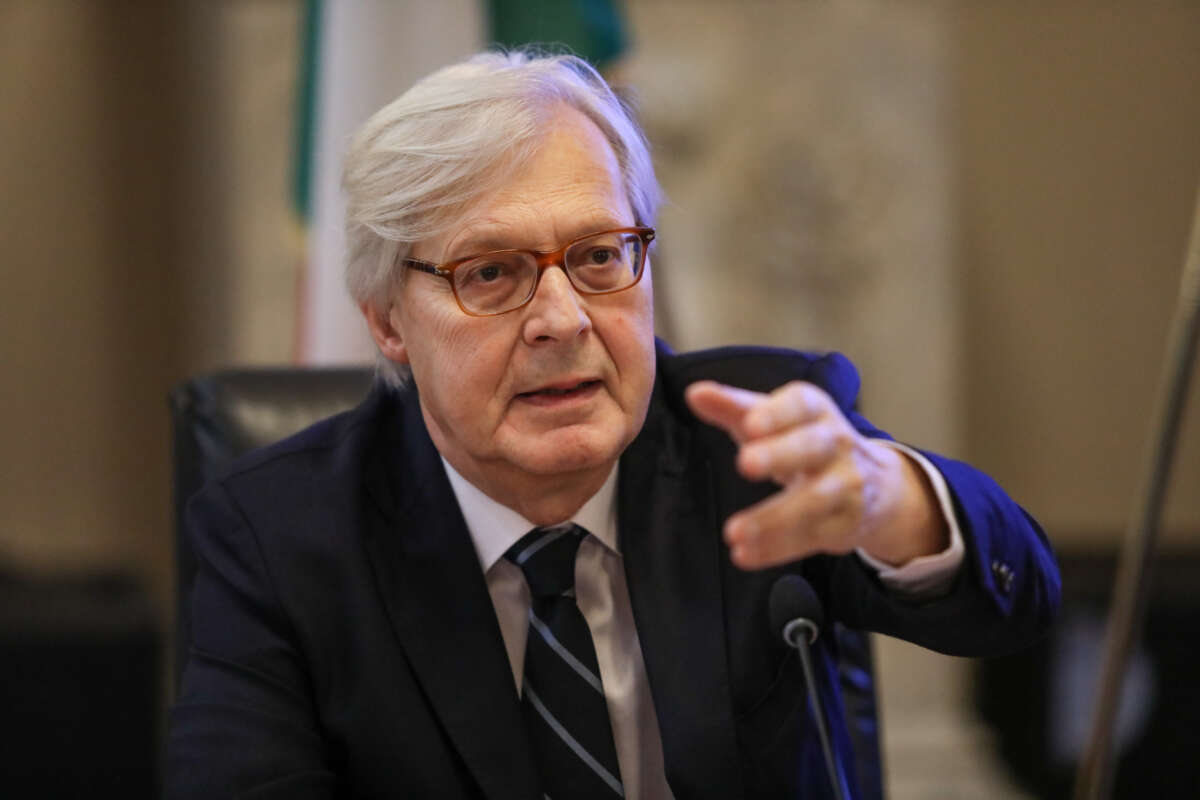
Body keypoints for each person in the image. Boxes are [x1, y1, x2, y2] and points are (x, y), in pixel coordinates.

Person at [167, 50, 1059, 799]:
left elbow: (1014, 607)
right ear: (389, 322)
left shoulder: (757, 445)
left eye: (599, 255)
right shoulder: (280, 539)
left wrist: (892, 499)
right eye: (490, 273)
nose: (563, 320)